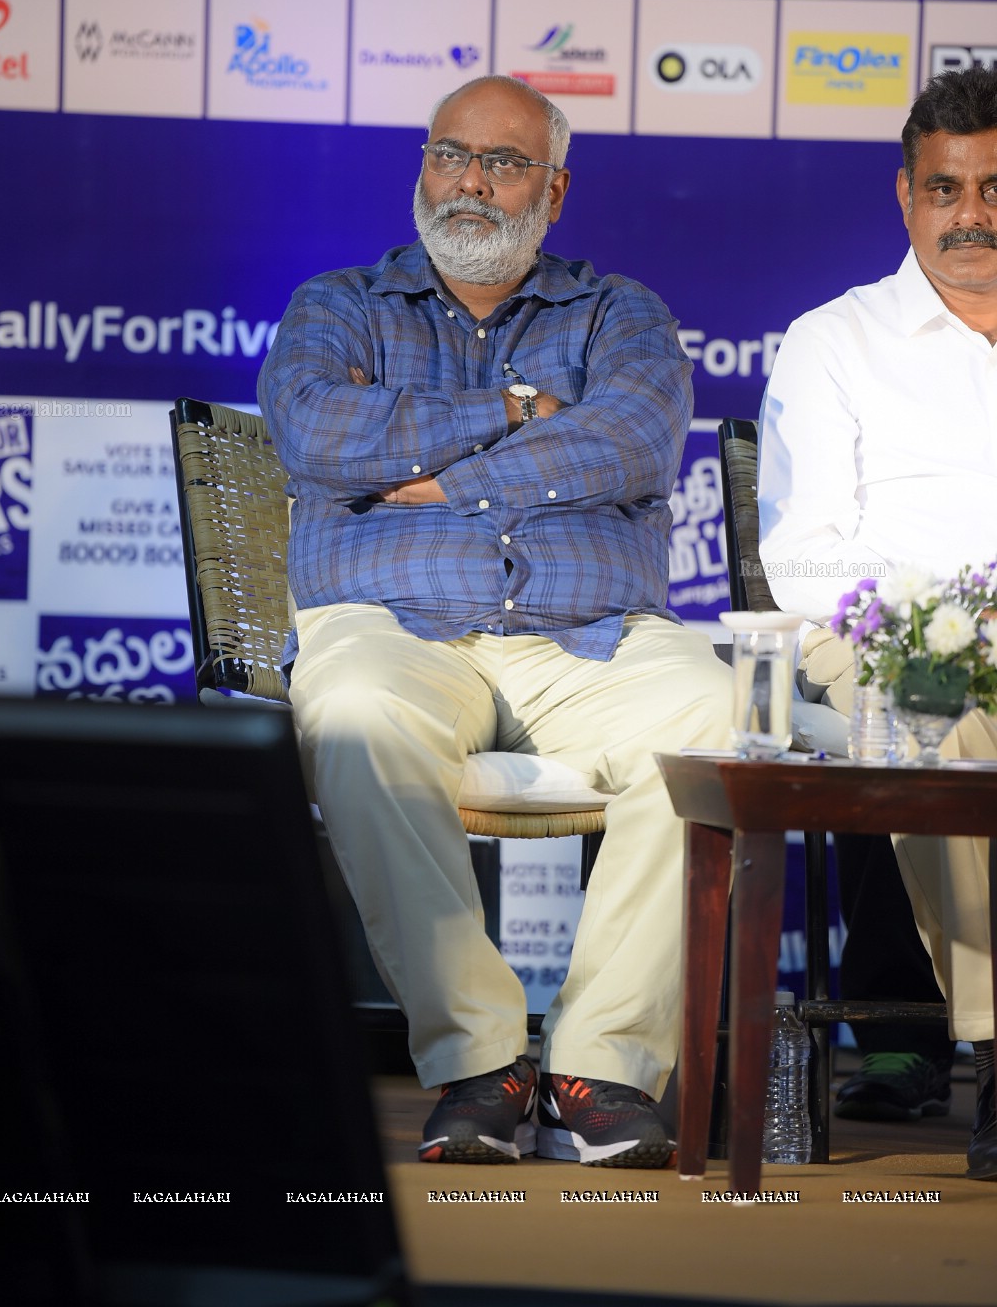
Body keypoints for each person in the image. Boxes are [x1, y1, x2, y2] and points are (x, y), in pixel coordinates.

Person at [258, 74, 733, 1168]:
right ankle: (477, 1060)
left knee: (709, 718)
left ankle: (600, 1070)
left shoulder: (619, 313)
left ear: (554, 191)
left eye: (504, 163)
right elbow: (317, 432)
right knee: (357, 712)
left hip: (588, 634)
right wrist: (516, 416)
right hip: (393, 621)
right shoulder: (340, 304)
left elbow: (631, 444)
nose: (470, 181)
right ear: (422, 167)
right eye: (449, 154)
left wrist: (433, 479)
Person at [758, 64, 997, 1179]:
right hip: (875, 635)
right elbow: (801, 556)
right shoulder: (834, 341)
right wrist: (951, 612)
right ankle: (986, 1053)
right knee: (951, 708)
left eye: (993, 186)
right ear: (906, 198)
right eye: (945, 188)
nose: (971, 213)